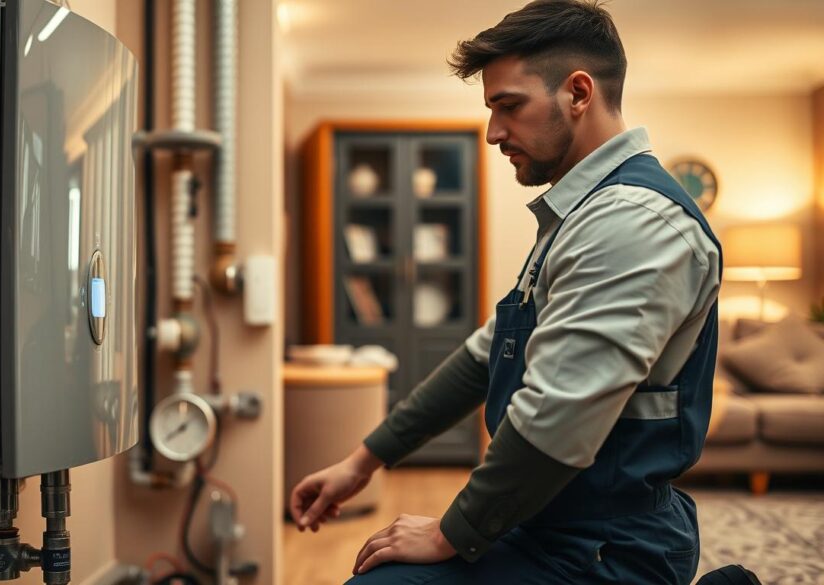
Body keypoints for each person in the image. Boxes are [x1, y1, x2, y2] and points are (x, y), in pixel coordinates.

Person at [288, 1, 722, 583]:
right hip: (546, 522)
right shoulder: (582, 216)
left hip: (605, 547)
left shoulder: (632, 223)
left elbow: (557, 417)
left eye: (508, 107)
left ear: (578, 92)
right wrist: (363, 461)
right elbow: (484, 356)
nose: (494, 132)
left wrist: (451, 532)